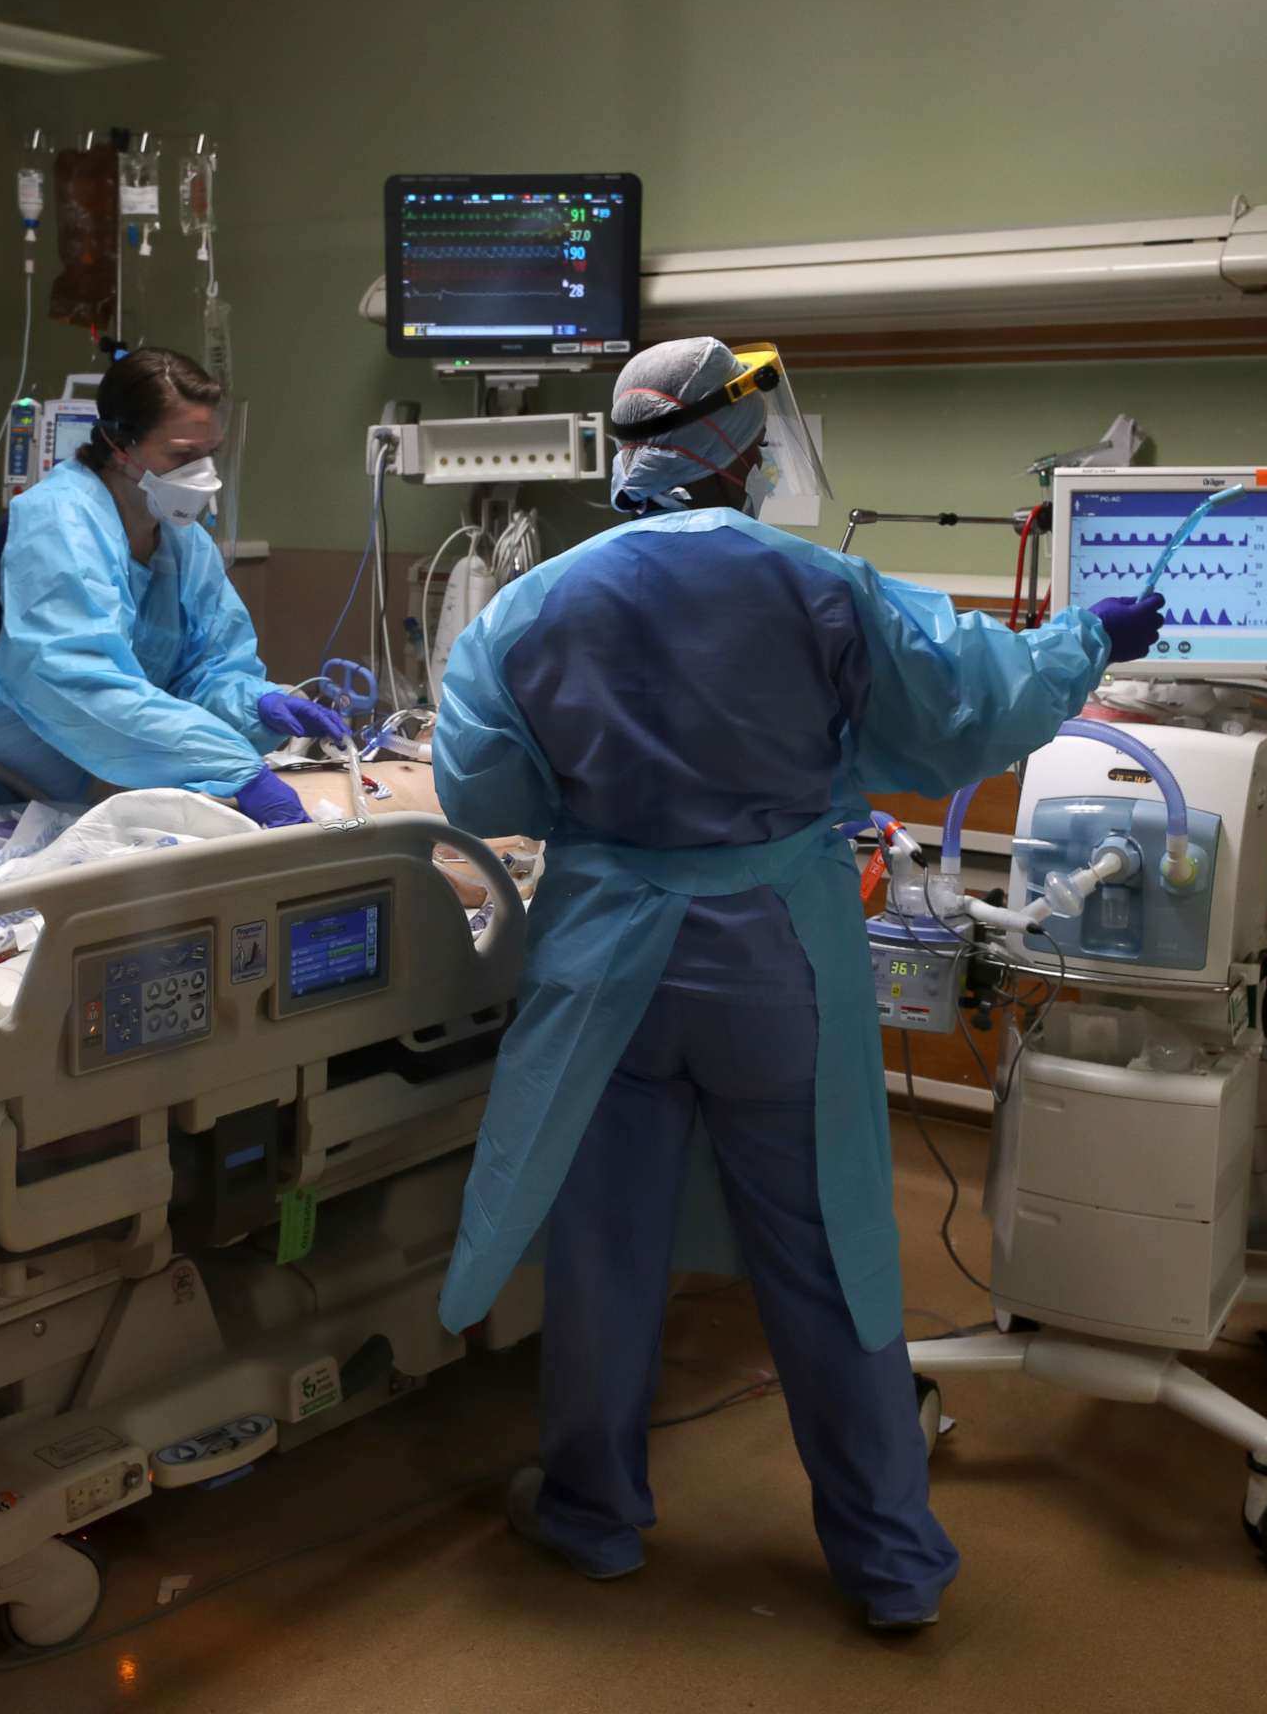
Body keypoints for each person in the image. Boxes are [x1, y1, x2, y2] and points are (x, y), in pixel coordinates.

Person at [431, 337, 1167, 1630]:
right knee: (829, 1251)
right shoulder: (823, 589)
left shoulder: (530, 606)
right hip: (776, 954)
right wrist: (1081, 645)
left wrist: (613, 808)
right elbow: (966, 710)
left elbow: (481, 791)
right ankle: (889, 1563)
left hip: (605, 958)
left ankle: (593, 1516)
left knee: (603, 1252)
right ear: (742, 449)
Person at [0, 347, 344, 827]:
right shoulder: (58, 520)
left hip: (38, 780)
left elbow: (197, 675)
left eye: (211, 454)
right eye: (182, 455)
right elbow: (78, 683)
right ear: (118, 443)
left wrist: (258, 703)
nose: (204, 474)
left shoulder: (183, 543)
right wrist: (231, 769)